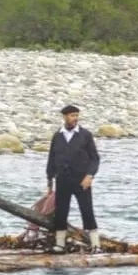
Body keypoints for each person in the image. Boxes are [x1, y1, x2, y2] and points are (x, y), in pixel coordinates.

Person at [46, 104, 102, 254]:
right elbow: (51, 159)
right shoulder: (57, 136)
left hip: (81, 180)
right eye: (72, 116)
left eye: (77, 115)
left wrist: (89, 176)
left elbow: (95, 159)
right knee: (61, 212)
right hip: (62, 180)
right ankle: (60, 244)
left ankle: (96, 244)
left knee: (87, 210)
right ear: (65, 117)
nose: (75, 118)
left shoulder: (85, 135)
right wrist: (49, 182)